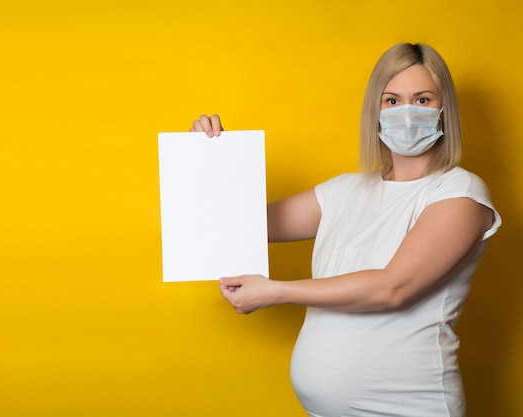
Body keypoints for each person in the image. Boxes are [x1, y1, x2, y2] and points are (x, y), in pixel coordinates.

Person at [190, 42, 501, 417]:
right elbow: (239, 223)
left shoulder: (460, 192)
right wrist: (208, 158)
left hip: (411, 408)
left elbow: (394, 287)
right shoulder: (343, 191)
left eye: (421, 100)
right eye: (392, 100)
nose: (406, 112)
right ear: (376, 111)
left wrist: (274, 291)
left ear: (443, 111)